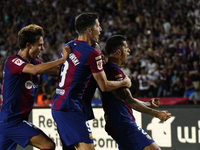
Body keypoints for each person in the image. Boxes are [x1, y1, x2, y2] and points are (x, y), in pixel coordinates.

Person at [51, 12, 131, 150]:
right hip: (70, 107)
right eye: (98, 26)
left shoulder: (69, 46)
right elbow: (104, 86)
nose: (100, 30)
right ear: (89, 30)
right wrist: (125, 83)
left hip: (59, 105)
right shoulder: (91, 53)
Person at [0, 24, 71, 150]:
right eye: (40, 45)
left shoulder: (35, 63)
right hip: (11, 121)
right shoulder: (13, 61)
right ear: (28, 45)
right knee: (48, 145)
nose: (42, 48)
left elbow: (56, 71)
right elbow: (35, 70)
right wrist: (61, 60)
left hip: (13, 121)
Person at [100, 35, 171, 150]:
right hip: (122, 123)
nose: (129, 50)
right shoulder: (113, 71)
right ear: (118, 52)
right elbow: (129, 101)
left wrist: (148, 104)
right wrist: (157, 114)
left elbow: (126, 99)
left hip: (117, 123)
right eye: (126, 47)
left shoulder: (110, 69)